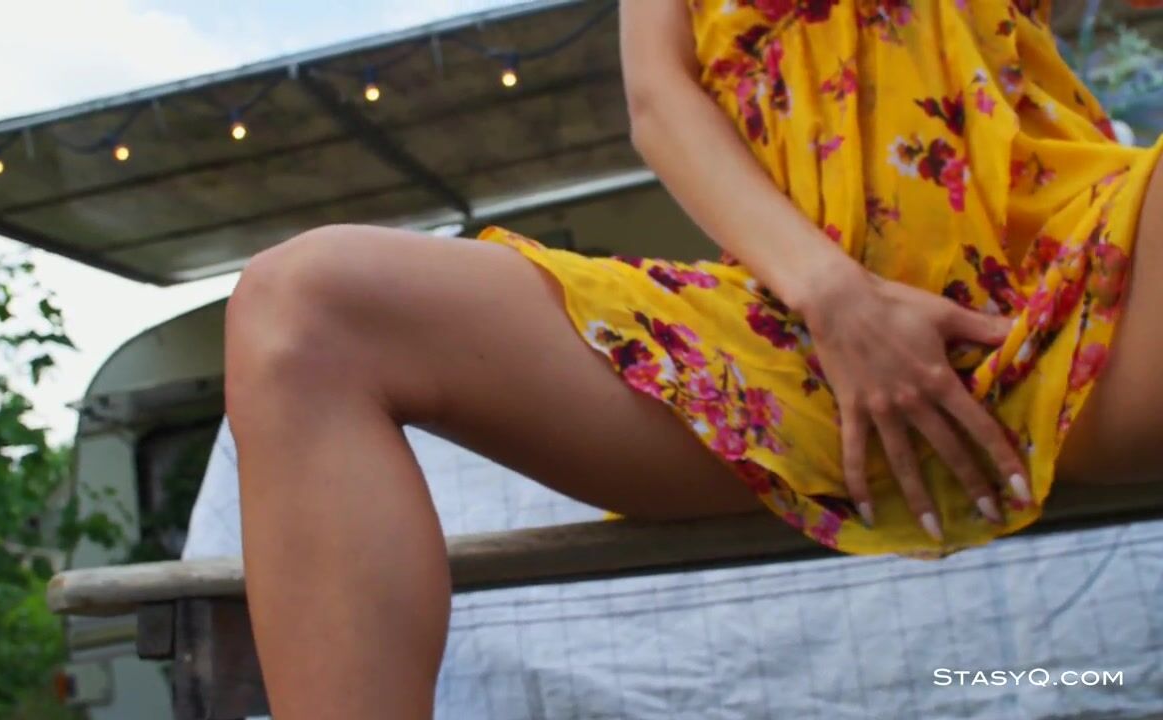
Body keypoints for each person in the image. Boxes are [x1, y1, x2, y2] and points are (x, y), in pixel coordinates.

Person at [223, 1, 1163, 717]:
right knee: (302, 304)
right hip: (792, 344)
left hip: (1072, 280)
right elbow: (659, 98)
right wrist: (834, 298)